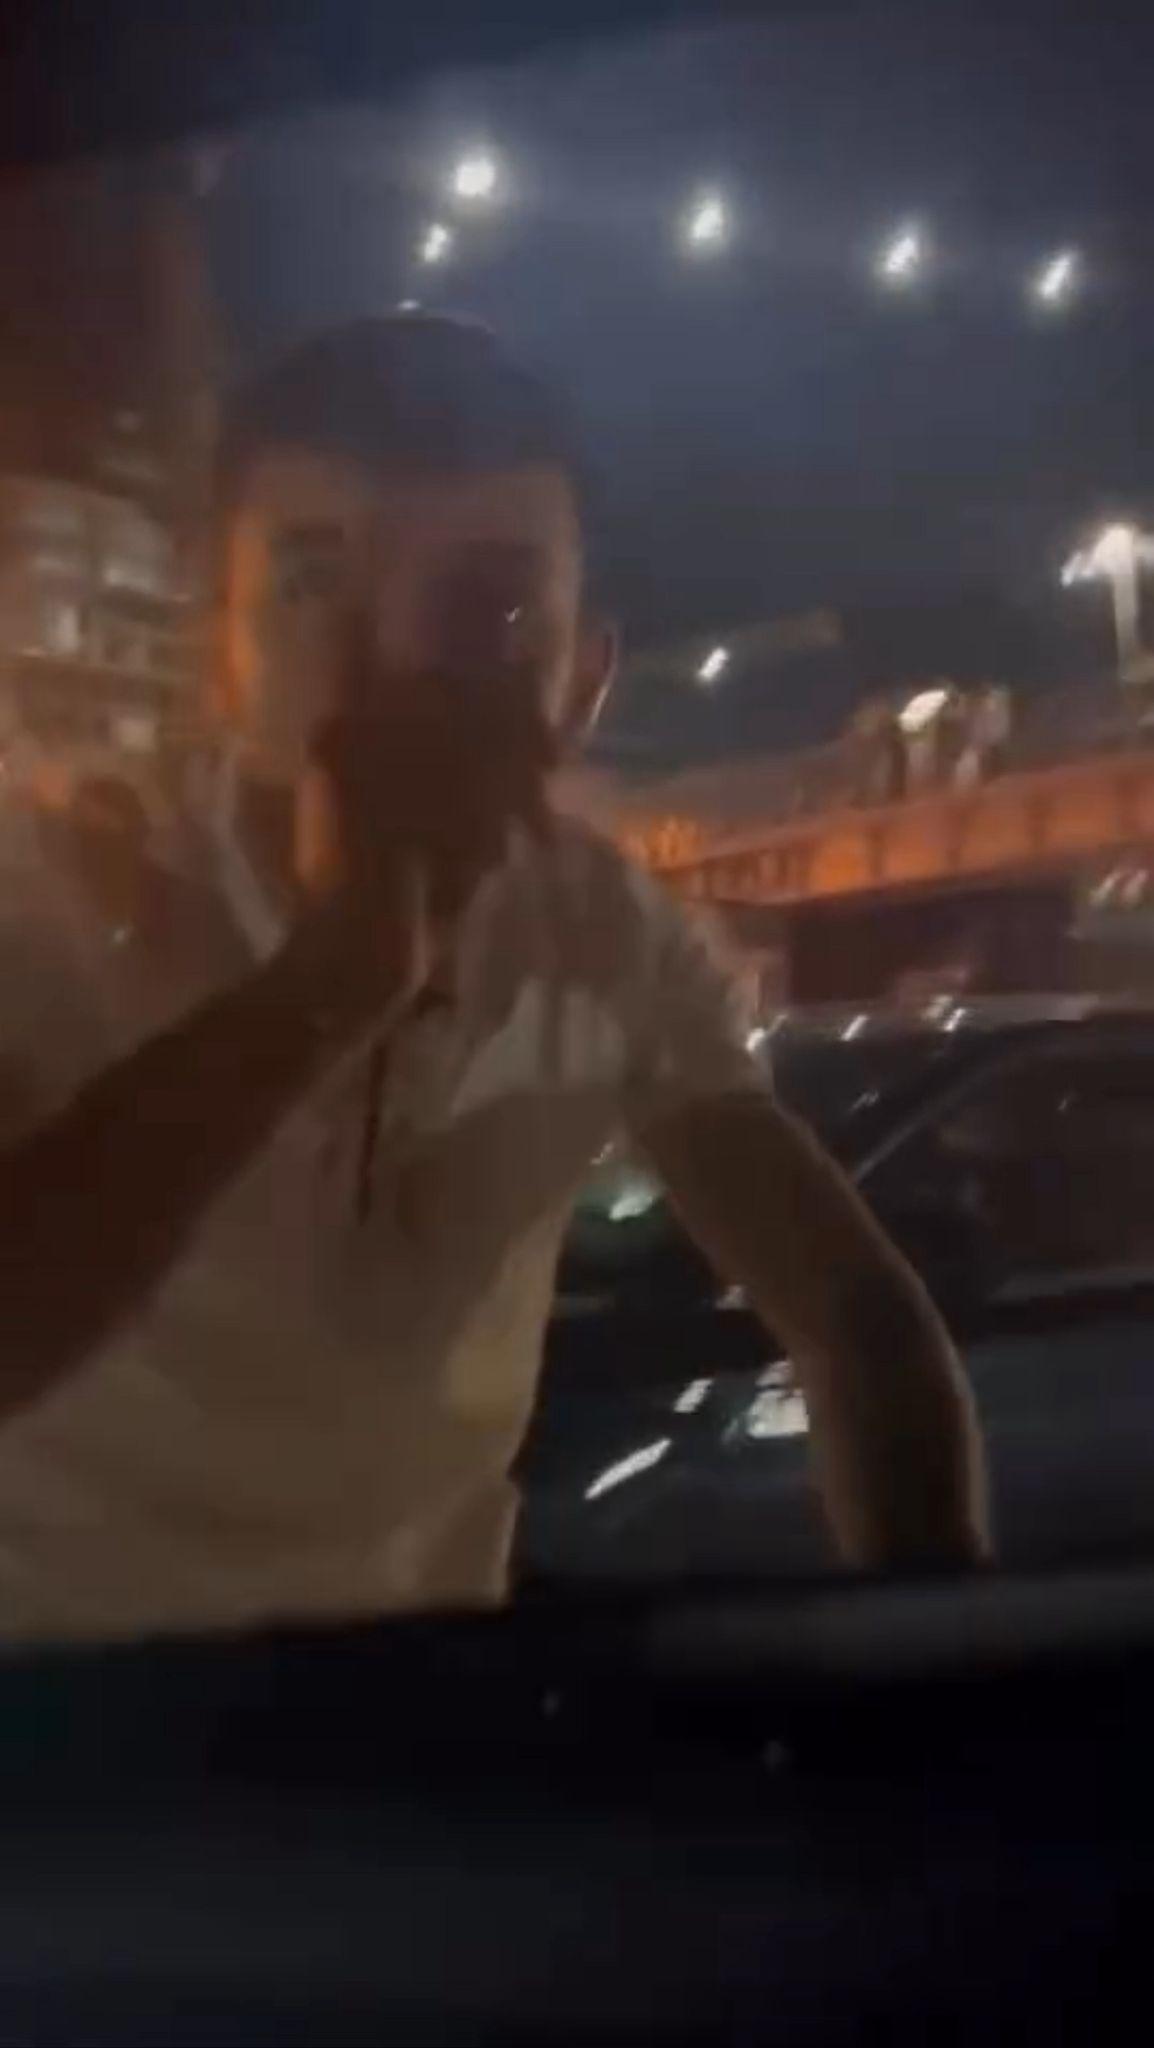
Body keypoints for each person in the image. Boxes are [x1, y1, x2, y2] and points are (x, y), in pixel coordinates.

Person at [0, 317, 987, 1640]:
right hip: (61, 1714)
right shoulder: (48, 894)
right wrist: (333, 982)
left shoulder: (604, 933)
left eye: (495, 605)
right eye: (311, 582)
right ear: (214, 648)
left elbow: (856, 1325)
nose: (395, 665)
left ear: (582, 682)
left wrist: (944, 1672)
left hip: (426, 1705)